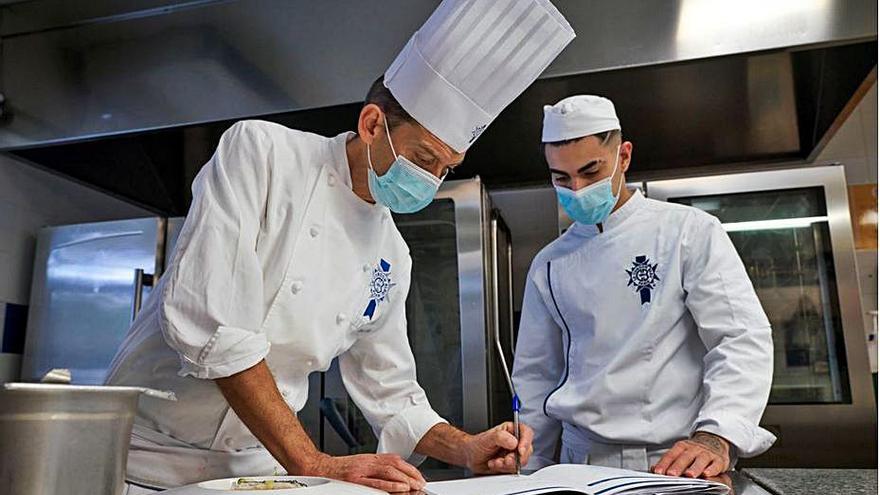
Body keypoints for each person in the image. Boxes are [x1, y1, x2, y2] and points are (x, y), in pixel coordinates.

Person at [106, 1, 575, 493]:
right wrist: (313, 460)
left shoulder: (392, 253)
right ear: (373, 124)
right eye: (423, 158)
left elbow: (391, 392)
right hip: (141, 458)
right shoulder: (262, 154)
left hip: (253, 470)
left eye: (446, 168)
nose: (432, 180)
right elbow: (210, 322)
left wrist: (465, 447)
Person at [512, 95, 776, 478]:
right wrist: (527, 469)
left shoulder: (688, 231)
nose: (578, 188)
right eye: (562, 179)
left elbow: (740, 337)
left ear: (623, 156)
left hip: (675, 462)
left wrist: (717, 435)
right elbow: (536, 376)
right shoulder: (548, 264)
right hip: (578, 464)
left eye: (591, 171)